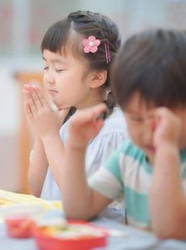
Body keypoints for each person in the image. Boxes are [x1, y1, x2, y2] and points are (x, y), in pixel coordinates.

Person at [61, 28, 186, 239]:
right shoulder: (130, 153)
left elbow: (169, 230)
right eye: (136, 119)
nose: (149, 132)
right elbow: (78, 210)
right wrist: (76, 146)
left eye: (160, 120)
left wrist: (166, 150)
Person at [23, 11, 127, 205]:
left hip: (97, 232)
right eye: (46, 67)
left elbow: (79, 200)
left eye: (59, 69)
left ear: (96, 77)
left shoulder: (113, 130)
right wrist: (43, 131)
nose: (49, 78)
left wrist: (49, 136)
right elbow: (36, 188)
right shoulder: (64, 119)